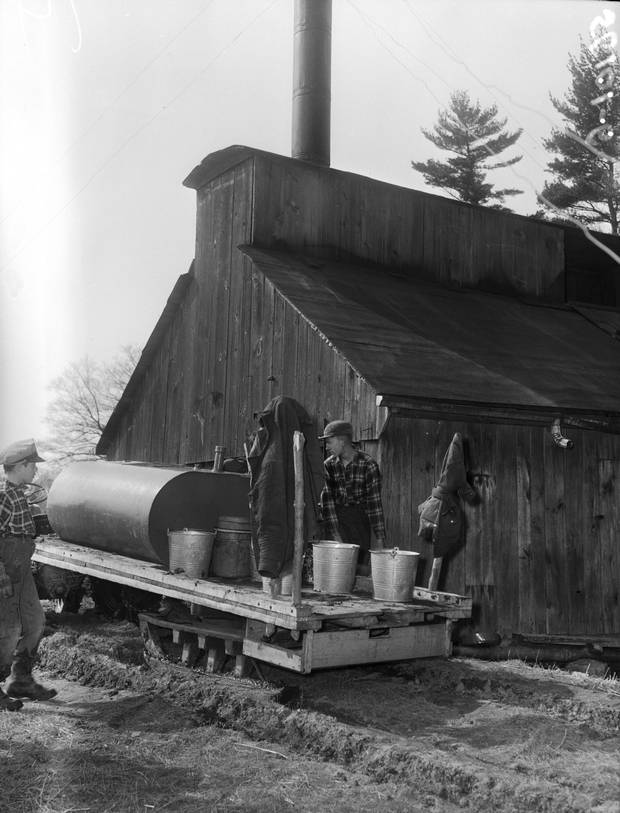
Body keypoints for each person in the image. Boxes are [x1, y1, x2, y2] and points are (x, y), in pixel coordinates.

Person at [0, 439, 57, 712]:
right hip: (5, 573)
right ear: (21, 465)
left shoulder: (18, 493)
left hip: (21, 570)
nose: (35, 470)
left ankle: (20, 679)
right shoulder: (2, 495)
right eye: (33, 464)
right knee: (7, 631)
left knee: (35, 622)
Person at [318, 420, 386, 571]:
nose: (327, 447)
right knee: (338, 569)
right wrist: (337, 537)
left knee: (359, 568)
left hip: (360, 520)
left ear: (342, 441)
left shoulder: (368, 464)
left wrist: (380, 540)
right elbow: (327, 502)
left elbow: (374, 504)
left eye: (329, 442)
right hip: (337, 519)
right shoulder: (329, 465)